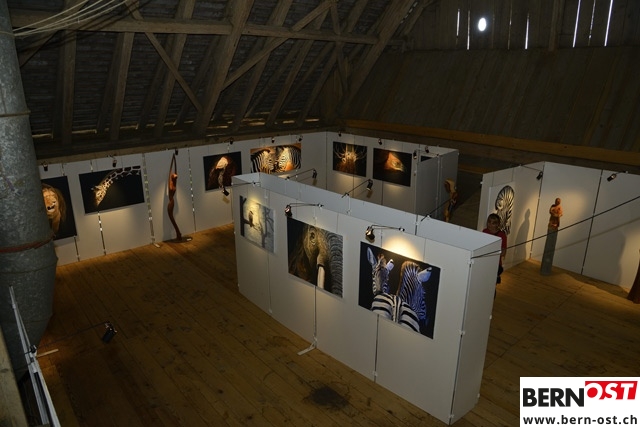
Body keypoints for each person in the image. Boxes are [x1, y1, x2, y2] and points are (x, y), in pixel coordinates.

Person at [483, 213, 507, 285]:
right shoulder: (485, 231)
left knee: (491, 284)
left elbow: (503, 252)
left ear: (497, 224)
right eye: (489, 222)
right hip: (484, 262)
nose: (490, 225)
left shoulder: (502, 235)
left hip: (495, 263)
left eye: (493, 223)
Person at [167, 154, 182, 241]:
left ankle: (178, 233)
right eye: (175, 177)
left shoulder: (174, 183)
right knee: (171, 217)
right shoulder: (171, 184)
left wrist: (174, 160)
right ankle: (178, 233)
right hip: (170, 202)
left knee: (172, 217)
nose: (176, 178)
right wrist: (173, 160)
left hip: (172, 201)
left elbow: (175, 173)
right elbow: (170, 175)